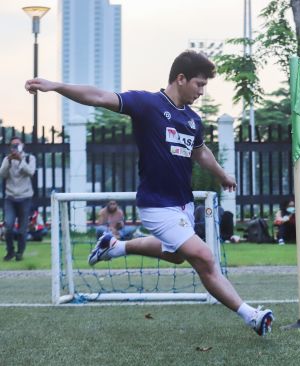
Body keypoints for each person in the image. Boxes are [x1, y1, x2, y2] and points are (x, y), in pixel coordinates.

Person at [25, 50, 273, 336]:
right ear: (180, 78)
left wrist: (222, 175)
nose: (202, 91)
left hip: (182, 206)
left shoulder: (193, 120)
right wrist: (55, 85)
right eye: (199, 84)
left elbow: (201, 152)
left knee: (178, 256)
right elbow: (99, 97)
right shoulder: (147, 104)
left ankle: (116, 247)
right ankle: (251, 315)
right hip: (156, 205)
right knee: (204, 257)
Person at [1, 136, 36, 261]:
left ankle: (20, 252)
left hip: (25, 197)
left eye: (17, 145)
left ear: (22, 145)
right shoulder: (7, 159)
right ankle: (10, 251)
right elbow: (2, 174)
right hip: (10, 198)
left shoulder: (29, 158)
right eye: (13, 145)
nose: (15, 147)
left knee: (22, 230)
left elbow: (31, 172)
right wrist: (9, 163)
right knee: (8, 227)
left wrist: (21, 160)